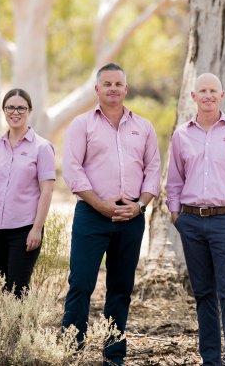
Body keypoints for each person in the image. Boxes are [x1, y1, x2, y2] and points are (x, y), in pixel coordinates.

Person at [62, 63, 161, 366]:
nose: (113, 89)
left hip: (132, 217)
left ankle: (113, 356)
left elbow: (153, 169)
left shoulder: (143, 127)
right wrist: (101, 204)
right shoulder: (82, 125)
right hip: (92, 215)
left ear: (126, 89)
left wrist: (140, 205)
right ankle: (71, 351)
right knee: (81, 285)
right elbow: (72, 170)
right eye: (107, 84)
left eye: (118, 83)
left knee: (120, 289)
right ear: (97, 89)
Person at [166, 73, 225, 366]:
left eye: (213, 91)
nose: (208, 95)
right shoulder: (182, 134)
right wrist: (176, 215)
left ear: (222, 95)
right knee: (204, 295)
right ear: (193, 97)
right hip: (192, 223)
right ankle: (210, 361)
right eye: (202, 91)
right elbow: (174, 180)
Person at [0, 88, 56, 297]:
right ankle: (8, 330)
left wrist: (37, 229)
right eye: (10, 107)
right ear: (4, 111)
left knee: (18, 289)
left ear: (29, 110)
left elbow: (47, 191)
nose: (15, 112)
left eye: (21, 107)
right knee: (5, 288)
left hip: (24, 229)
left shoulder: (42, 147)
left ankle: (21, 330)